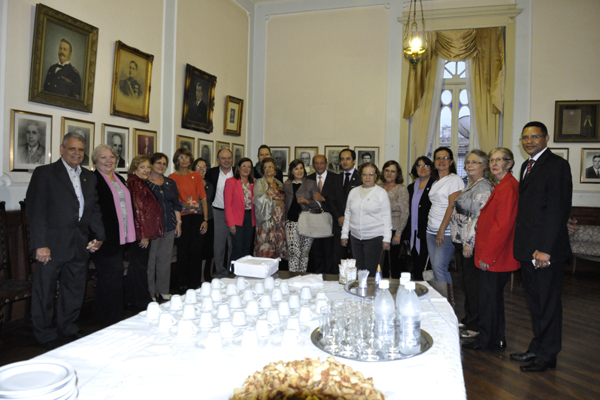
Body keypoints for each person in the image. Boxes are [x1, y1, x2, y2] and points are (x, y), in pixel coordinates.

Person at [26, 132, 104, 348]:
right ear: (62, 149)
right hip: (50, 245)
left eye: (80, 149)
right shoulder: (45, 173)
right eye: (72, 148)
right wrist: (40, 244)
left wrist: (98, 236)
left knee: (75, 289)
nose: (77, 153)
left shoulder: (89, 177)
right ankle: (44, 332)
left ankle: (67, 326)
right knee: (45, 290)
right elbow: (36, 211)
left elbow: (94, 209)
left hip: (79, 244)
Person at [510, 121, 572, 373]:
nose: (529, 141)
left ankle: (548, 356)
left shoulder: (557, 165)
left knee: (548, 304)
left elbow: (557, 209)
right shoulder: (526, 165)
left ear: (546, 138)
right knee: (535, 303)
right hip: (528, 249)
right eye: (525, 137)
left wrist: (545, 248)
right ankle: (537, 346)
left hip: (545, 251)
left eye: (535, 136)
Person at [462, 147, 519, 351]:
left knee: (488, 300)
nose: (494, 163)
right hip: (493, 254)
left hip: (495, 256)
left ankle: (486, 340)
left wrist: (489, 255)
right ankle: (497, 338)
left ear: (510, 163)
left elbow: (502, 226)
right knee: (493, 300)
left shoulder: (508, 187)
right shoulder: (501, 184)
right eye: (492, 160)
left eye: (500, 160)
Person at [449, 150, 494, 339]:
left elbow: (478, 218)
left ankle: (475, 325)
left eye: (475, 162)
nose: (469, 165)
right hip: (461, 242)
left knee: (473, 285)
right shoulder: (471, 184)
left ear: (484, 165)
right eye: (467, 162)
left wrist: (469, 243)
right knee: (466, 283)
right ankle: (469, 318)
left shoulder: (483, 187)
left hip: (471, 244)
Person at [91, 144, 136, 326]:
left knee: (113, 278)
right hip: (104, 238)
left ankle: (109, 316)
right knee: (111, 278)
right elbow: (92, 211)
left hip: (121, 236)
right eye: (103, 157)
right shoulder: (93, 180)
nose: (108, 160)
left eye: (111, 157)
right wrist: (96, 235)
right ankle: (111, 320)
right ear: (95, 161)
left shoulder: (118, 178)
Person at [169, 148, 209, 292]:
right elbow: (173, 200)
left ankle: (194, 282)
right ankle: (182, 283)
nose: (184, 159)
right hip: (181, 218)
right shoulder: (172, 177)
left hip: (197, 217)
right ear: (176, 160)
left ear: (190, 159)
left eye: (186, 156)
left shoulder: (196, 175)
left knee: (196, 250)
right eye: (181, 157)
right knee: (183, 250)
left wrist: (205, 219)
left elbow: (203, 198)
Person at [126, 155, 163, 311]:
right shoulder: (136, 185)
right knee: (140, 267)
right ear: (134, 168)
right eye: (142, 167)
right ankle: (143, 301)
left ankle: (131, 299)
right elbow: (139, 211)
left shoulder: (140, 183)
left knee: (135, 267)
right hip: (140, 234)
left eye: (148, 167)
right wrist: (144, 235)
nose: (146, 170)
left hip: (139, 232)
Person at [341, 162, 391, 276]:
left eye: (371, 174)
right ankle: (359, 292)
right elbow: (348, 213)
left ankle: (372, 293)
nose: (367, 177)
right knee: (358, 271)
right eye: (365, 174)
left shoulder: (381, 193)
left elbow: (387, 217)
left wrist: (387, 239)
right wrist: (344, 234)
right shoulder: (353, 192)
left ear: (376, 176)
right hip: (355, 238)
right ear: (360, 176)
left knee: (372, 272)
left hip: (375, 238)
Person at [426, 147, 465, 284]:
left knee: (439, 267)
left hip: (446, 231)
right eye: (438, 158)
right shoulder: (435, 181)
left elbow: (452, 206)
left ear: (452, 162)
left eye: (445, 158)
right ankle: (439, 300)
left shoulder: (454, 179)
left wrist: (442, 230)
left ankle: (448, 302)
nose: (441, 161)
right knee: (435, 268)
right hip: (431, 230)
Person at [146, 153, 182, 300]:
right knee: (151, 261)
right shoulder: (145, 183)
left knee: (165, 260)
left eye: (164, 164)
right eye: (158, 163)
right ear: (152, 164)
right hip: (151, 229)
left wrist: (178, 223)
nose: (161, 166)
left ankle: (163, 290)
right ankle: (150, 292)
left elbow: (176, 204)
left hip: (169, 226)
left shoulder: (170, 183)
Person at [284, 159, 321, 272]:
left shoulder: (311, 183)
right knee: (293, 252)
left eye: (301, 168)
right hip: (291, 222)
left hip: (307, 221)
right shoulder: (287, 185)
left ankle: (302, 277)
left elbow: (319, 204)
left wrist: (306, 201)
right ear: (292, 171)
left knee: (304, 252)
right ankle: (293, 277)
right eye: (296, 169)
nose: (299, 171)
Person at [402, 156, 435, 281]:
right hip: (413, 233)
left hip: (428, 232)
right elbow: (407, 212)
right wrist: (406, 235)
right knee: (415, 264)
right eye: (419, 166)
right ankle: (416, 290)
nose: (423, 168)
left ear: (431, 168)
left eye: (426, 165)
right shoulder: (410, 188)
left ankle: (427, 291)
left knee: (426, 266)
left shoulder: (435, 185)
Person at [205, 148, 234, 278]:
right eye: (223, 158)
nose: (226, 160)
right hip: (218, 212)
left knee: (234, 244)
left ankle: (232, 271)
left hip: (235, 213)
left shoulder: (238, 173)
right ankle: (220, 272)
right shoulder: (211, 173)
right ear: (217, 160)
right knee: (219, 245)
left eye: (229, 158)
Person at [306, 154, 338, 273]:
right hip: (313, 220)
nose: (319, 165)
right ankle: (317, 275)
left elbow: (338, 200)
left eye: (321, 163)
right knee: (316, 251)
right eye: (316, 163)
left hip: (330, 220)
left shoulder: (335, 178)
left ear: (326, 164)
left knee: (329, 251)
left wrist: (323, 198)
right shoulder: (308, 178)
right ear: (313, 165)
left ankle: (328, 277)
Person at [332, 149, 362, 267]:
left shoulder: (361, 178)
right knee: (338, 260)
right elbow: (331, 200)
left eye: (348, 158)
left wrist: (349, 218)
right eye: (342, 159)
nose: (345, 161)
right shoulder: (335, 178)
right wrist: (339, 216)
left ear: (354, 160)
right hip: (339, 224)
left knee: (355, 259)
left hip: (355, 225)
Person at [379, 160, 409, 278]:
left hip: (394, 230)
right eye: (387, 170)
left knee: (392, 263)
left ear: (398, 174)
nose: (389, 173)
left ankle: (394, 288)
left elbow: (405, 212)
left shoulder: (401, 189)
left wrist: (398, 233)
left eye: (393, 171)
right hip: (379, 229)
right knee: (380, 262)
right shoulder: (378, 187)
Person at [253, 157, 287, 259]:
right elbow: (258, 198)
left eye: (270, 167)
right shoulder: (260, 183)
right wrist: (275, 202)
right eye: (265, 167)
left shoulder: (280, 184)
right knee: (265, 251)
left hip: (280, 223)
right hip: (266, 222)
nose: (268, 169)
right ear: (262, 170)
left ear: (275, 168)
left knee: (277, 253)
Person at [225, 158, 256, 262]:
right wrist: (231, 224)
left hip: (250, 218)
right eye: (243, 166)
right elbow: (228, 205)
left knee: (246, 249)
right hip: (237, 220)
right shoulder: (231, 182)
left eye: (248, 166)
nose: (246, 168)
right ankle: (233, 275)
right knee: (237, 249)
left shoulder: (254, 183)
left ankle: (244, 274)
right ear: (238, 167)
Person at [193, 157, 215, 282]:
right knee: (199, 250)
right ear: (194, 168)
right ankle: (199, 277)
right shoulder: (191, 183)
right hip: (196, 220)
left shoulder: (210, 184)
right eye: (199, 166)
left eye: (204, 166)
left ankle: (209, 274)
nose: (202, 169)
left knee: (209, 248)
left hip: (210, 219)